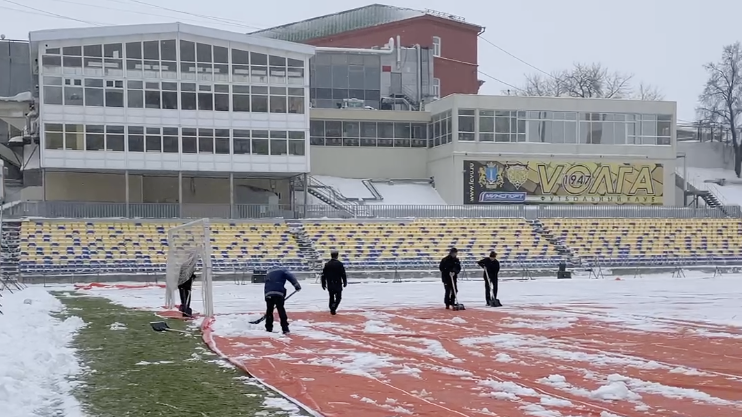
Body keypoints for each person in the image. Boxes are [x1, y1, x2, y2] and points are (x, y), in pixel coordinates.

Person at [264, 266, 302, 334]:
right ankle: (285, 328)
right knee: (281, 310)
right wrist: (296, 285)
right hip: (278, 293)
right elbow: (291, 277)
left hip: (268, 294)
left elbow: (267, 285)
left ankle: (268, 327)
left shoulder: (269, 273)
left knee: (269, 310)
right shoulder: (283, 271)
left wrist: (266, 296)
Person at [321, 250, 347, 315]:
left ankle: (331, 307)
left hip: (330, 283)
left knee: (331, 296)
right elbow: (343, 274)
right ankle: (334, 306)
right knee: (338, 297)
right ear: (337, 256)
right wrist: (345, 281)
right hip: (337, 283)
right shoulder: (340, 264)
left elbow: (323, 275)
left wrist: (323, 283)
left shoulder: (327, 264)